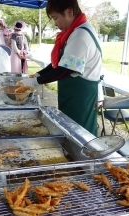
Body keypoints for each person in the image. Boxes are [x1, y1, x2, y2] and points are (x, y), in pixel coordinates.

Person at [19, 0, 103, 136]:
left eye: (56, 18)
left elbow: (65, 69)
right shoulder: (75, 31)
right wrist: (38, 75)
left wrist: (34, 82)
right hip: (72, 94)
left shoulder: (81, 36)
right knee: (69, 131)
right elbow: (59, 64)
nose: (55, 23)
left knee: (81, 135)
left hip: (81, 97)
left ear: (69, 12)